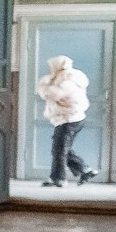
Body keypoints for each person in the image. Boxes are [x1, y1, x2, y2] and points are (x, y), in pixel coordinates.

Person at [36, 55, 95, 186]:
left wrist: (44, 84)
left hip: (68, 119)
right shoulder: (68, 77)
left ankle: (59, 178)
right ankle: (84, 169)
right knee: (62, 149)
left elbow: (49, 94)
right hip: (71, 118)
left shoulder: (66, 80)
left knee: (59, 150)